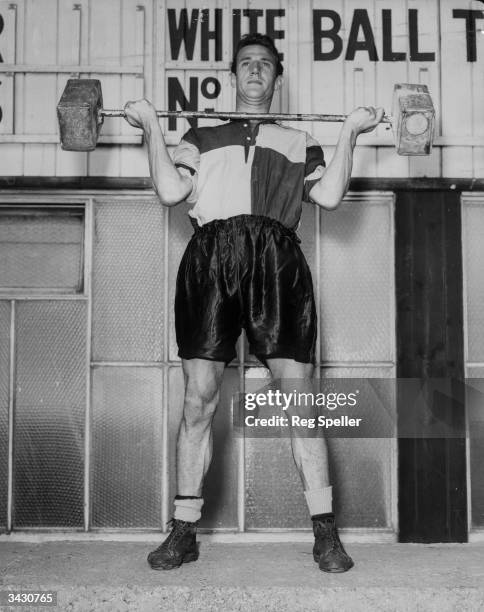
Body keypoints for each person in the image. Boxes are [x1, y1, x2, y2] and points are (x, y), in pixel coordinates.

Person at [124, 32, 383, 574]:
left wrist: (350, 133)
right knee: (199, 399)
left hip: (276, 258)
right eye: (247, 63)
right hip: (212, 258)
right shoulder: (201, 133)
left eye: (266, 64)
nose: (256, 71)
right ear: (233, 75)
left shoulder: (297, 140)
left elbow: (330, 197)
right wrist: (151, 125)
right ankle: (184, 529)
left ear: (277, 78)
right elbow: (171, 192)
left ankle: (325, 533)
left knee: (301, 402)